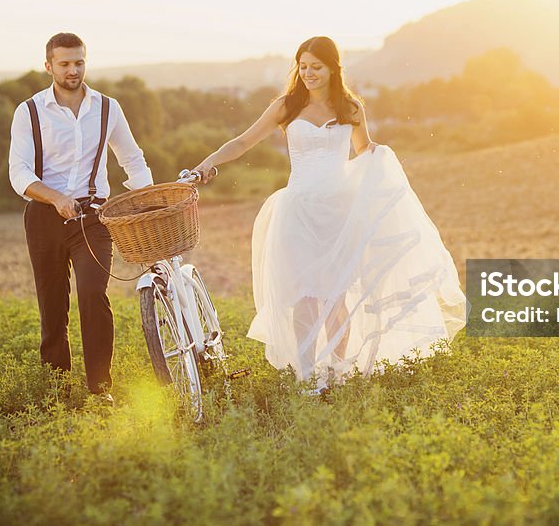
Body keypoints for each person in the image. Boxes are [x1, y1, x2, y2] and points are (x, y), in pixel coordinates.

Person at [194, 36, 467, 391]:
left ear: (333, 68)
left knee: (337, 296)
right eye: (302, 66)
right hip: (298, 211)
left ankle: (336, 373)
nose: (307, 73)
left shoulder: (350, 109)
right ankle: (307, 375)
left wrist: (381, 158)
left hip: (340, 213)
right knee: (305, 296)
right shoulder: (286, 106)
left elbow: (362, 150)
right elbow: (244, 141)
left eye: (316, 67)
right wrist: (209, 162)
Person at [8, 32, 154, 405]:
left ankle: (99, 388)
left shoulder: (107, 108)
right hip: (43, 217)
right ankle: (56, 388)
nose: (73, 70)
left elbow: (132, 159)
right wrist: (55, 198)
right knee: (53, 304)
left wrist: (148, 201)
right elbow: (19, 173)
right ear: (48, 66)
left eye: (79, 62)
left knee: (93, 293)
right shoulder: (30, 111)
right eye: (64, 64)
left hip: (92, 217)